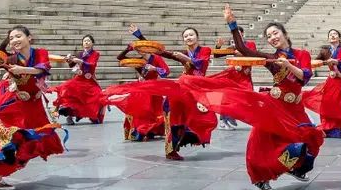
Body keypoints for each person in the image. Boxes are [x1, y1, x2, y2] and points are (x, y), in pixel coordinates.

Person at [178, 5, 324, 190]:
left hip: (295, 108)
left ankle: (295, 168)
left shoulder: (301, 54)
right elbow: (242, 49)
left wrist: (288, 65)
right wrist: (232, 24)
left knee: (311, 139)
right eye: (269, 36)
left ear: (285, 34)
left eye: (275, 33)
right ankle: (261, 179)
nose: (273, 37)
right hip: (275, 105)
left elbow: (304, 77)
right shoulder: (271, 58)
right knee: (263, 142)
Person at [0, 27, 65, 188]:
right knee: (14, 141)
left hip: (34, 105)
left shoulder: (40, 53)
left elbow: (42, 69)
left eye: (18, 36)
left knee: (33, 142)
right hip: (15, 103)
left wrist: (21, 70)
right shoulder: (10, 59)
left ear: (29, 37)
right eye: (11, 38)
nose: (14, 40)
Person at [104, 24, 217, 160]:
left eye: (191, 35)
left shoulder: (205, 50)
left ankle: (190, 134)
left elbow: (201, 64)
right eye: (186, 36)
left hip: (198, 88)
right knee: (172, 112)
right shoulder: (183, 53)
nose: (188, 37)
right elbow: (161, 52)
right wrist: (140, 37)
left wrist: (185, 58)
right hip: (184, 87)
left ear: (197, 37)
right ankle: (171, 149)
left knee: (204, 116)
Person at [302, 29, 341, 137]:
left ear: (339, 37)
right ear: (328, 38)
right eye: (330, 35)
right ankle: (331, 126)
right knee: (328, 102)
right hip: (331, 80)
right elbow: (315, 62)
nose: (333, 36)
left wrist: (336, 62)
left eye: (335, 34)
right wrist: (314, 63)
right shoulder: (325, 51)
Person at [113, 26, 170, 141]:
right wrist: (128, 49)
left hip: (153, 88)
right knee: (138, 105)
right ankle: (140, 128)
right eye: (138, 49)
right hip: (142, 88)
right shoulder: (139, 61)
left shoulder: (156, 58)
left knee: (153, 110)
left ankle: (150, 129)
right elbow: (120, 57)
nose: (140, 51)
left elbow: (166, 72)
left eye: (142, 48)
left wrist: (155, 69)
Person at [51, 34, 105, 125]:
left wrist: (80, 61)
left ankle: (90, 114)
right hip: (79, 79)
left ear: (92, 43)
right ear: (82, 43)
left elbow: (92, 65)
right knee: (67, 87)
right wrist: (70, 61)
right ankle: (69, 115)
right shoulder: (80, 54)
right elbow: (72, 65)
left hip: (90, 80)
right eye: (84, 41)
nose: (86, 42)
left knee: (97, 93)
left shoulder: (96, 54)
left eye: (88, 41)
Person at [212, 33, 257, 130]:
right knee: (229, 96)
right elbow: (216, 55)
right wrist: (218, 46)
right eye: (234, 35)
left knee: (248, 96)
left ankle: (230, 117)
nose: (236, 36)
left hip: (245, 76)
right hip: (234, 74)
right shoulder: (233, 47)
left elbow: (254, 55)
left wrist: (242, 57)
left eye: (238, 34)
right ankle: (224, 120)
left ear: (243, 34)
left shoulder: (250, 44)